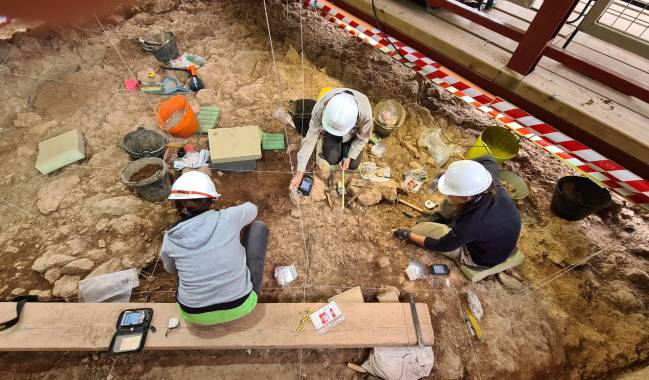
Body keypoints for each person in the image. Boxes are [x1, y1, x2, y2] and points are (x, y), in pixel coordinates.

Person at [160, 171, 269, 325]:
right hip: (241, 305)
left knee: (180, 267)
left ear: (177, 205)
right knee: (258, 228)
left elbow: (171, 269)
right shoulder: (229, 217)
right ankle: (249, 290)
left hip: (194, 314)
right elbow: (252, 209)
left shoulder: (171, 236)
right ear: (212, 201)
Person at [393, 155, 521, 268]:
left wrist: (409, 235)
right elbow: (489, 159)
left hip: (480, 256)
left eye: (449, 192)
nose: (446, 194)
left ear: (467, 197)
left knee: (420, 230)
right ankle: (442, 217)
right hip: (494, 231)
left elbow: (442, 246)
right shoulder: (485, 182)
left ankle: (446, 224)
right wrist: (456, 174)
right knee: (452, 200)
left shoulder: (472, 223)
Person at [290, 88, 373, 188]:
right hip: (332, 134)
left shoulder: (365, 115)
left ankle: (347, 148)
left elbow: (362, 138)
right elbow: (310, 139)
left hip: (353, 135)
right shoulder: (320, 107)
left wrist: (350, 156)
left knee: (353, 164)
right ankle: (331, 140)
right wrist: (300, 172)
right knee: (332, 159)